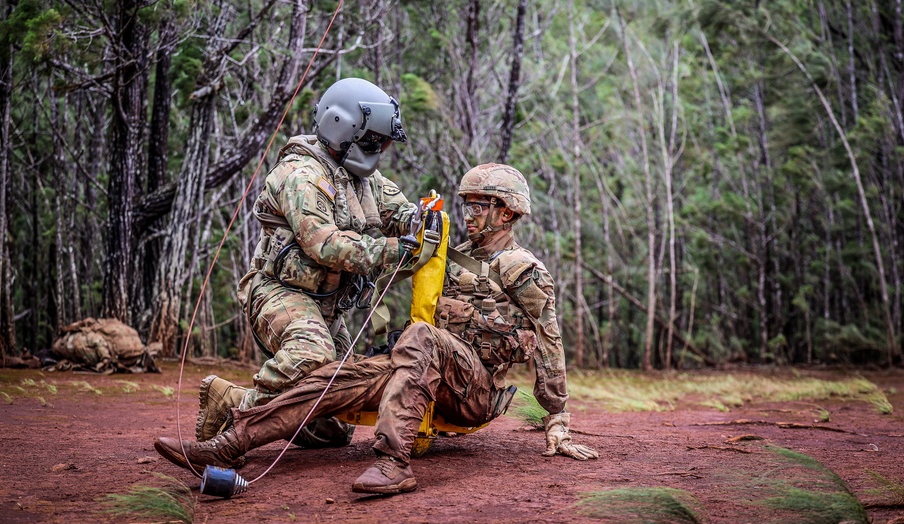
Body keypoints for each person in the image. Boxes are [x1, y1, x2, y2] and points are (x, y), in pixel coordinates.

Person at [157, 163, 598, 494]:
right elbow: (398, 290)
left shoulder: (522, 268)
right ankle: (232, 441)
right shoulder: (449, 254)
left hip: (474, 390)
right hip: (426, 372)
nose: (470, 214)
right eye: (467, 205)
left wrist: (556, 417)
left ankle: (393, 461)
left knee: (424, 337)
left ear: (508, 213)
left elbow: (549, 340)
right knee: (337, 373)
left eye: (480, 206)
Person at [194, 78, 419, 446]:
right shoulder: (301, 175)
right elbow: (326, 246)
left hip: (327, 307)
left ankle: (235, 400)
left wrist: (421, 221)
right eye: (374, 140)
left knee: (337, 421)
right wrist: (395, 249)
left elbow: (402, 211)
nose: (381, 149)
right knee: (312, 355)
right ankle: (240, 418)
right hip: (279, 293)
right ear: (343, 128)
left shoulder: (363, 178)